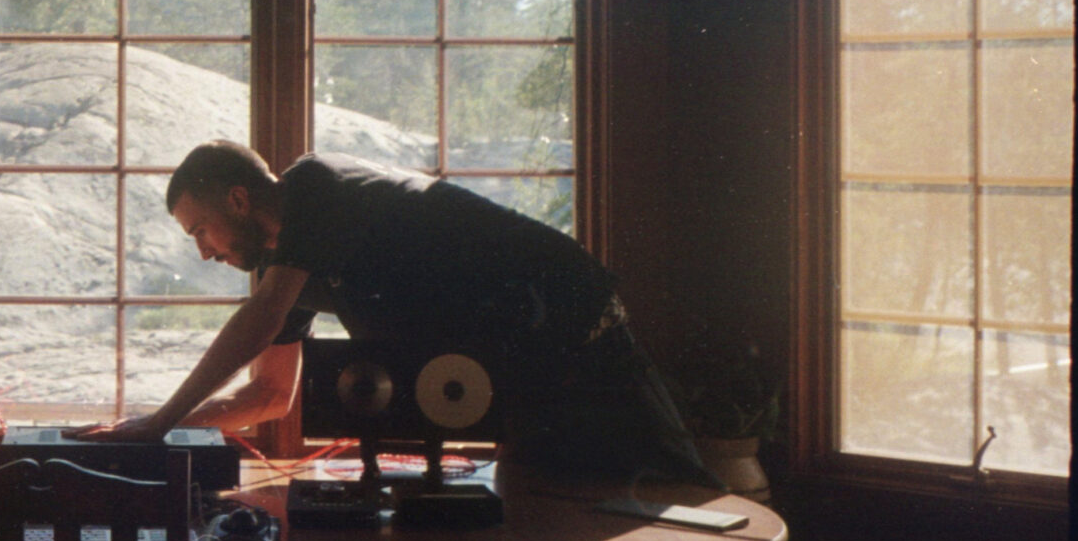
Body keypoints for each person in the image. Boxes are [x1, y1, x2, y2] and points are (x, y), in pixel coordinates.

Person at [78, 140, 713, 485]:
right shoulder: (290, 268)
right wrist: (149, 428)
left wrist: (163, 420)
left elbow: (261, 317)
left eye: (200, 230)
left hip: (578, 329)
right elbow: (269, 395)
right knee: (533, 516)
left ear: (239, 200)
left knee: (687, 499)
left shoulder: (314, 186)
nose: (204, 251)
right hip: (521, 369)